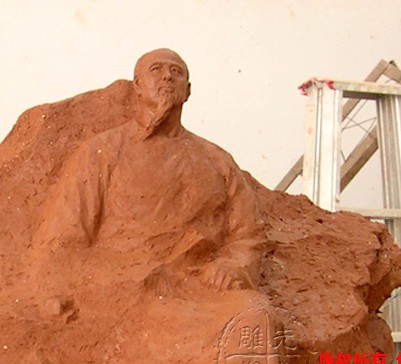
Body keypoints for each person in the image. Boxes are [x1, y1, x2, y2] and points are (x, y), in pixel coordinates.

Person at [32, 48, 263, 297]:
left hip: (197, 287)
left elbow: (248, 234)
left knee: (255, 314)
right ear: (138, 86)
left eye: (176, 72)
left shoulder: (217, 160)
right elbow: (65, 233)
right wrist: (58, 292)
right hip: (119, 288)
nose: (167, 76)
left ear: (188, 91)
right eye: (156, 69)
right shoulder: (101, 152)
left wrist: (231, 267)